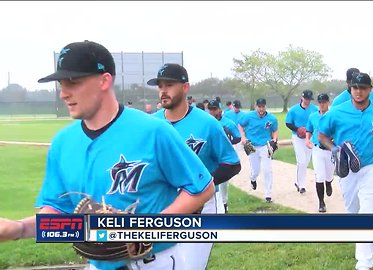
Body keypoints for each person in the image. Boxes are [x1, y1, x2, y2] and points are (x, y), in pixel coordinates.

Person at [0, 41, 215, 270]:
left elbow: (202, 188)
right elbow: (57, 209)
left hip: (154, 262)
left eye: (73, 82)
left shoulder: (153, 131)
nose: (63, 93)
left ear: (104, 80)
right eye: (61, 84)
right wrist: (19, 229)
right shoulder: (62, 143)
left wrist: (150, 229)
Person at [147, 63, 241, 270]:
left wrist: (201, 185)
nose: (163, 91)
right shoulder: (150, 124)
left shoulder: (207, 123)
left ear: (185, 87)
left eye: (169, 85)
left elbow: (232, 164)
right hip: (162, 207)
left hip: (201, 208)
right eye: (160, 86)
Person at [318, 72, 373, 270]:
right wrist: (334, 149)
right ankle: (369, 237)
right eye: (355, 88)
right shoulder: (336, 112)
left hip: (372, 166)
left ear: (370, 89)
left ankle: (364, 263)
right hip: (347, 169)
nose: (358, 91)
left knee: (368, 211)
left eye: (362, 88)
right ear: (350, 89)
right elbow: (322, 135)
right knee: (353, 211)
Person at [238, 98, 278, 203]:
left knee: (267, 170)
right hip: (251, 145)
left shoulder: (272, 118)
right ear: (256, 106)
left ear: (265, 106)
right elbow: (240, 125)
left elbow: (274, 130)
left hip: (265, 145)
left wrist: (274, 139)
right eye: (259, 106)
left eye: (263, 106)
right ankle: (253, 179)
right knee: (255, 170)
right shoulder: (248, 116)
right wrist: (243, 137)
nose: (261, 109)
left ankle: (268, 194)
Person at [207, 99, 242, 213]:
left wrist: (227, 142)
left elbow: (238, 137)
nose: (212, 112)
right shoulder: (206, 123)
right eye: (210, 109)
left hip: (223, 155)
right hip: (210, 155)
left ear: (220, 110)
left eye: (214, 109)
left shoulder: (228, 123)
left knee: (223, 182)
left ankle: (224, 203)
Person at [305, 93, 334, 212]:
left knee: (329, 174)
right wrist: (307, 139)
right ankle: (321, 202)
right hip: (317, 149)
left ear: (328, 102)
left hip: (330, 149)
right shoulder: (313, 116)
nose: (322, 104)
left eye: (324, 102)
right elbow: (309, 129)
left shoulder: (333, 116)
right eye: (320, 102)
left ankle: (329, 182)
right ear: (318, 103)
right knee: (319, 176)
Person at [285, 89, 318, 194]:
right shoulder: (294, 110)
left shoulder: (314, 109)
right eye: (306, 98)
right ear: (302, 97)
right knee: (301, 161)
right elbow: (288, 123)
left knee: (306, 161)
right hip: (297, 137)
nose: (308, 101)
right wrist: (298, 130)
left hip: (310, 137)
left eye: (309, 99)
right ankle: (301, 185)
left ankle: (297, 181)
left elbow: (317, 121)